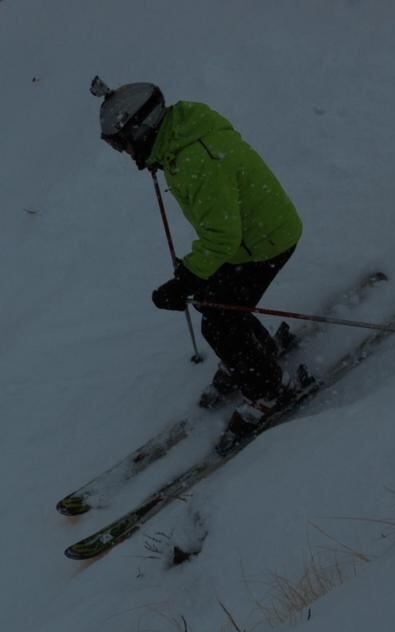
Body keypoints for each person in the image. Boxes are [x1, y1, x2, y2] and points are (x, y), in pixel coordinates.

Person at [92, 77, 304, 454]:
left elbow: (222, 234)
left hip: (265, 241)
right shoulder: (177, 140)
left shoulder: (194, 157)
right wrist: (192, 278)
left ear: (142, 128)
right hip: (247, 240)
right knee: (215, 301)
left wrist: (185, 279)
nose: (123, 153)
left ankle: (270, 392)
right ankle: (258, 357)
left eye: (121, 143)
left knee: (219, 321)